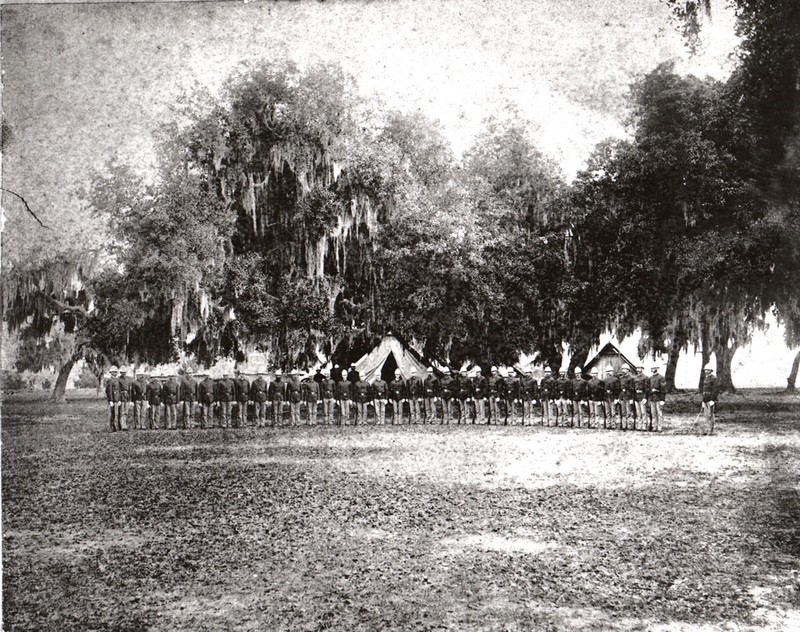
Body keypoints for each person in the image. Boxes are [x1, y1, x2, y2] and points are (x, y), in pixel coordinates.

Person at [632, 365, 650, 431]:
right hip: (636, 397)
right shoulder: (635, 378)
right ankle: (639, 425)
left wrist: (645, 397)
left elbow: (647, 389)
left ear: (642, 369)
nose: (638, 370)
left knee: (643, 412)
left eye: (639, 368)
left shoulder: (646, 378)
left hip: (642, 397)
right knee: (638, 412)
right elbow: (633, 388)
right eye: (637, 368)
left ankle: (644, 425)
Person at [702, 364, 718, 435]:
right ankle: (706, 429)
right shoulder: (706, 378)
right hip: (705, 399)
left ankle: (710, 430)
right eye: (705, 370)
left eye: (707, 370)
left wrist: (712, 399)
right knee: (706, 415)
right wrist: (703, 400)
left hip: (710, 399)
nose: (706, 371)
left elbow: (715, 390)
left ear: (710, 370)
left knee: (710, 415)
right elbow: (704, 390)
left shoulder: (713, 378)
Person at [649, 364, 666, 432]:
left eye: (653, 368)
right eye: (651, 368)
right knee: (653, 413)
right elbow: (648, 388)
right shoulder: (651, 378)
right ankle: (654, 426)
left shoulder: (661, 377)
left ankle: (660, 426)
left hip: (658, 398)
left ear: (657, 368)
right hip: (652, 398)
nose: (652, 369)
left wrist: (662, 399)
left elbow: (663, 389)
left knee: (659, 413)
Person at [105, 366, 123, 432]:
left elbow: (120, 391)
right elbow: (109, 391)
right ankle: (112, 428)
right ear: (111, 373)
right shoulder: (109, 381)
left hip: (117, 399)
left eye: (116, 372)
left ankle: (117, 427)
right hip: (113, 400)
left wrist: (120, 400)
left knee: (117, 414)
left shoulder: (118, 380)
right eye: (113, 372)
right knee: (112, 414)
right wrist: (110, 400)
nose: (115, 373)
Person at [618, 366, 635, 430]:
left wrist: (631, 398)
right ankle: (623, 426)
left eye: (625, 369)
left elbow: (632, 389)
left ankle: (629, 425)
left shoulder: (631, 378)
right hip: (622, 397)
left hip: (628, 396)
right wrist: (619, 397)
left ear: (628, 370)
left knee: (628, 412)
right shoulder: (621, 378)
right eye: (623, 369)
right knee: (623, 412)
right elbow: (619, 389)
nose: (623, 370)